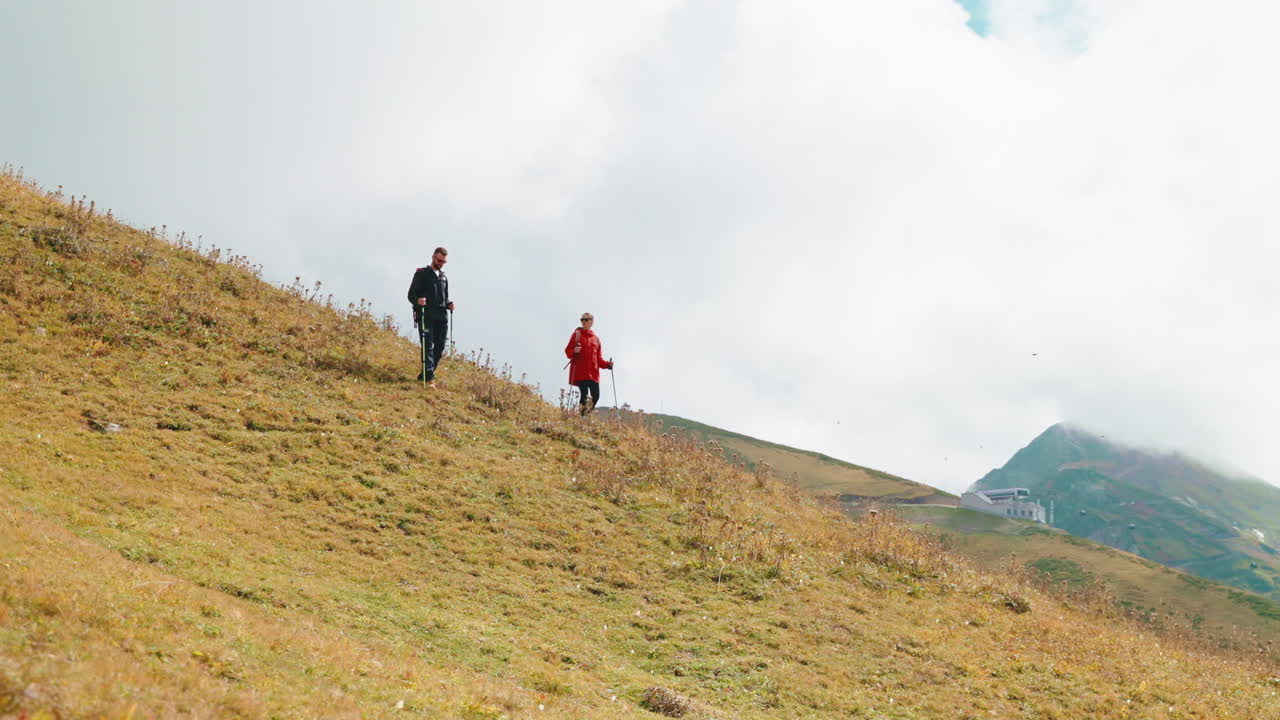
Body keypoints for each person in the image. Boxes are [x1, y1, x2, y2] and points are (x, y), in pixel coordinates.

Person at [407, 247, 455, 386]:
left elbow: (444, 298)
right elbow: (411, 294)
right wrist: (418, 301)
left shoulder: (443, 278)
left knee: (439, 347)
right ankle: (429, 379)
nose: (441, 263)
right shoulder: (422, 273)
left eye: (443, 262)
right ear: (433, 257)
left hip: (441, 317)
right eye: (439, 260)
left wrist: (449, 304)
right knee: (427, 346)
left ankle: (426, 373)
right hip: (426, 315)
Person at [564, 312, 613, 415]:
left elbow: (598, 358)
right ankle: (581, 418)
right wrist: (574, 351)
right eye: (582, 320)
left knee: (596, 396)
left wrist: (608, 365)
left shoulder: (596, 339)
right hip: (580, 371)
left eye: (586, 320)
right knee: (584, 395)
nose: (583, 322)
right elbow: (568, 351)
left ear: (591, 322)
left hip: (593, 373)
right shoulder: (576, 334)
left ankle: (585, 414)